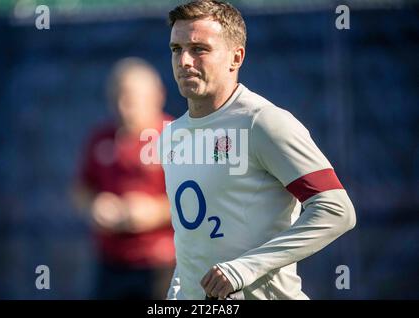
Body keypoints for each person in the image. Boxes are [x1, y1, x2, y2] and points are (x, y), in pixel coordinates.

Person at [160, 0, 356, 300]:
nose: (184, 60)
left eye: (199, 49)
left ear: (235, 58)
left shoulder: (262, 122)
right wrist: (179, 289)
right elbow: (193, 237)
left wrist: (245, 268)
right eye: (176, 49)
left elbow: (336, 209)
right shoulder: (171, 135)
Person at [74, 57, 175, 299]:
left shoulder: (177, 137)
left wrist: (154, 212)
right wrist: (94, 207)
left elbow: (204, 198)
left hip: (164, 265)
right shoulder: (100, 138)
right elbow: (81, 189)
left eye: (131, 98)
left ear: (157, 96)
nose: (122, 106)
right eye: (116, 97)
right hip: (111, 263)